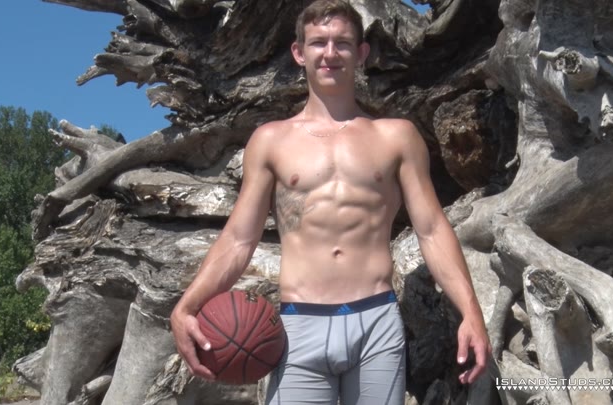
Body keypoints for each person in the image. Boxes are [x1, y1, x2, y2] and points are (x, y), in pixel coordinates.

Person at [170, 0, 491, 403]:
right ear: (298, 53)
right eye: (318, 42)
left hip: (376, 322)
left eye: (342, 43)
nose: (330, 52)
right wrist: (188, 305)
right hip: (299, 326)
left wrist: (471, 311)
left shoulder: (396, 137)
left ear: (361, 53)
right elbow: (239, 239)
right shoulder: (270, 140)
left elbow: (431, 229)